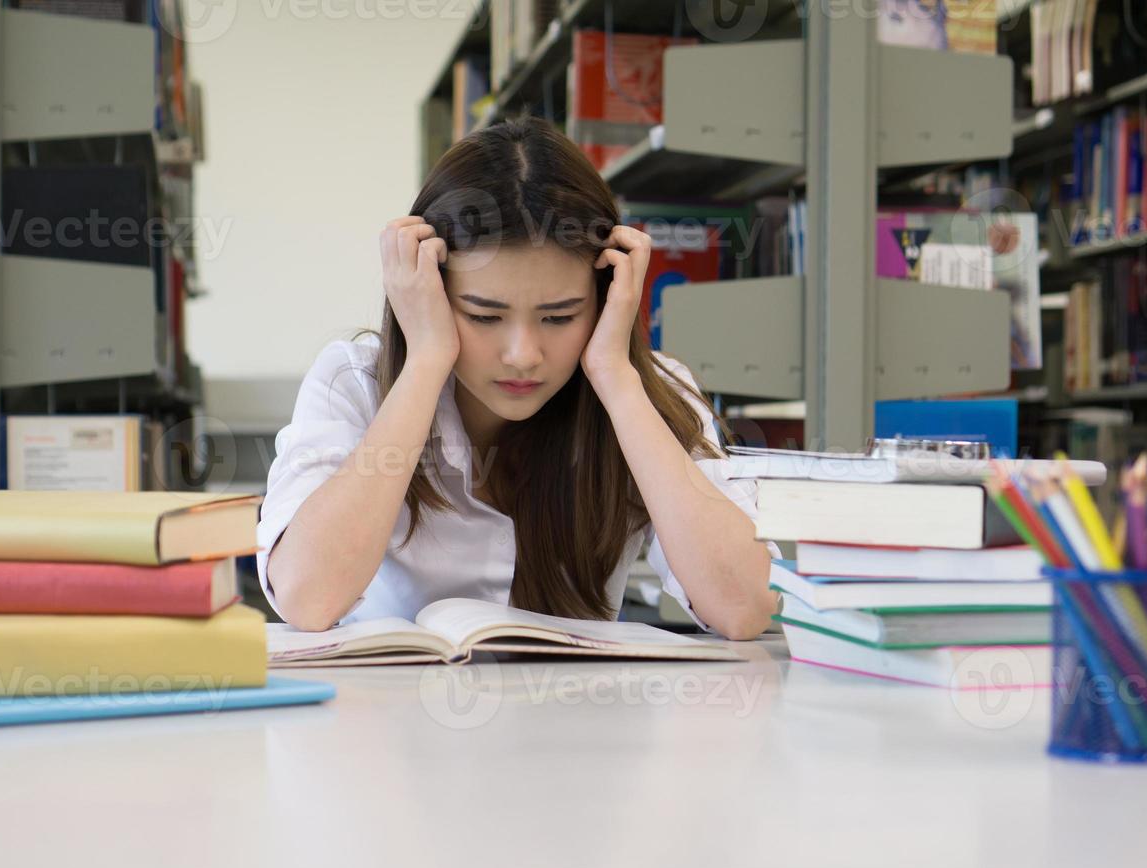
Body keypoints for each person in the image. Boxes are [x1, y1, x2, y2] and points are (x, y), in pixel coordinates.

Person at [257, 115, 779, 639]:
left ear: (604, 298)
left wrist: (616, 377)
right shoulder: (354, 381)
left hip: (577, 715)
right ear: (429, 293)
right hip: (392, 717)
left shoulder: (650, 392)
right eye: (484, 316)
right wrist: (424, 362)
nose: (523, 355)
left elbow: (743, 608)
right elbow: (307, 597)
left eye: (560, 316)